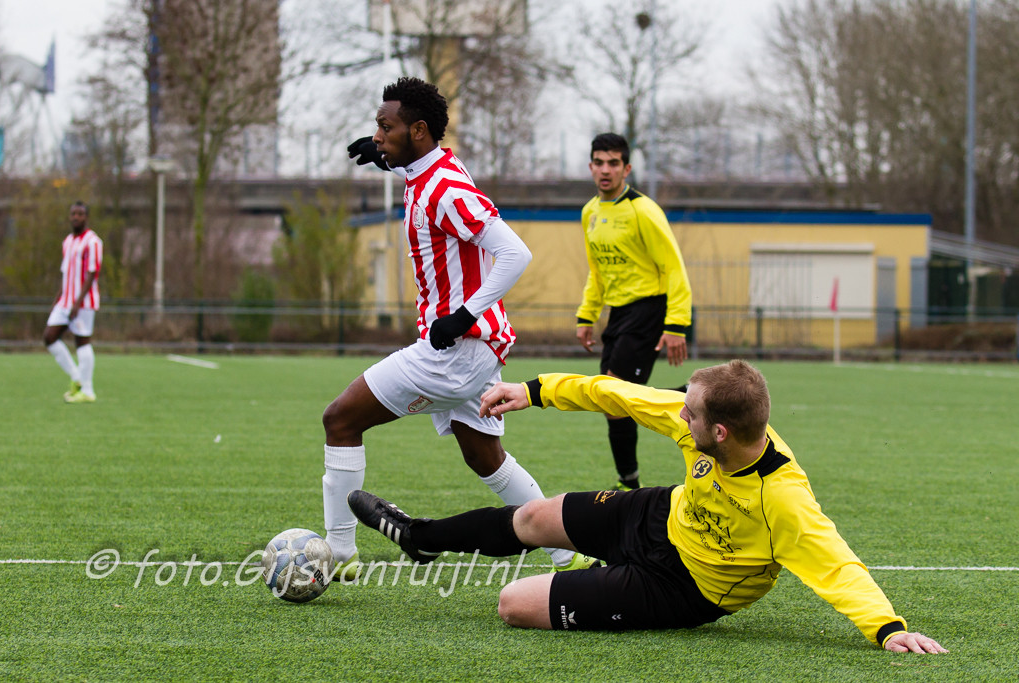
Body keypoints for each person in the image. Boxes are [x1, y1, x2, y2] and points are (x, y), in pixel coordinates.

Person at [348, 360, 947, 653]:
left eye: (692, 412)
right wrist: (532, 391)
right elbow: (620, 393)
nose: (680, 413)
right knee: (533, 517)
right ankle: (421, 539)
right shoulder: (699, 425)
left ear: (721, 433)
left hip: (685, 587)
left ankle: (602, 580)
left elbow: (839, 567)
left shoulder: (784, 501)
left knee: (513, 604)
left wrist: (888, 630)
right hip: (660, 515)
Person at [332, 76, 593, 578]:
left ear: (419, 130)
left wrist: (464, 315)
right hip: (473, 349)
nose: (379, 134)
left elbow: (515, 253)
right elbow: (418, 168)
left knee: (340, 420)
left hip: (456, 349)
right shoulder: (430, 172)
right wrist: (386, 155)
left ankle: (338, 554)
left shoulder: (446, 189)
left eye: (386, 127)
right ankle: (570, 556)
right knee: (485, 457)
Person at [577, 133, 693, 492]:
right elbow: (597, 271)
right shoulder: (590, 212)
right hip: (618, 314)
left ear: (626, 169)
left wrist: (676, 324)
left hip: (648, 309)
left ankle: (629, 484)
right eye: (599, 163)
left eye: (613, 163)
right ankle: (691, 397)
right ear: (591, 167)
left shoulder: (643, 210)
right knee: (612, 399)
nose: (606, 170)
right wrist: (587, 315)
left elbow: (674, 267)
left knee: (612, 393)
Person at [44, 201, 103, 404]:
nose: (76, 217)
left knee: (82, 341)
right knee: (49, 337)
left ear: (86, 217)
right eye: (73, 214)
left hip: (83, 302)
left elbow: (92, 273)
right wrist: (58, 298)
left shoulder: (93, 241)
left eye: (80, 214)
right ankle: (77, 377)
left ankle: (87, 390)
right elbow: (66, 274)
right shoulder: (67, 241)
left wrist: (78, 302)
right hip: (66, 300)